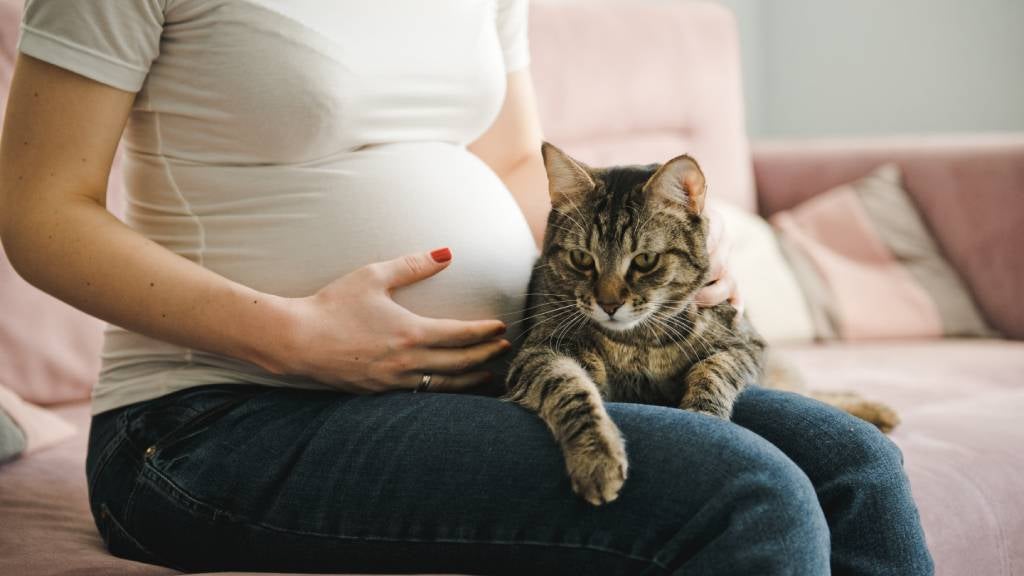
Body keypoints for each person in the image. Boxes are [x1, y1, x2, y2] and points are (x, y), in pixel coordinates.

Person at [0, 1, 933, 574]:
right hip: (214, 422)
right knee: (748, 493)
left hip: (489, 381)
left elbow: (521, 166)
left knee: (855, 466)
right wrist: (291, 335)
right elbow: (40, 211)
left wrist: (680, 244)